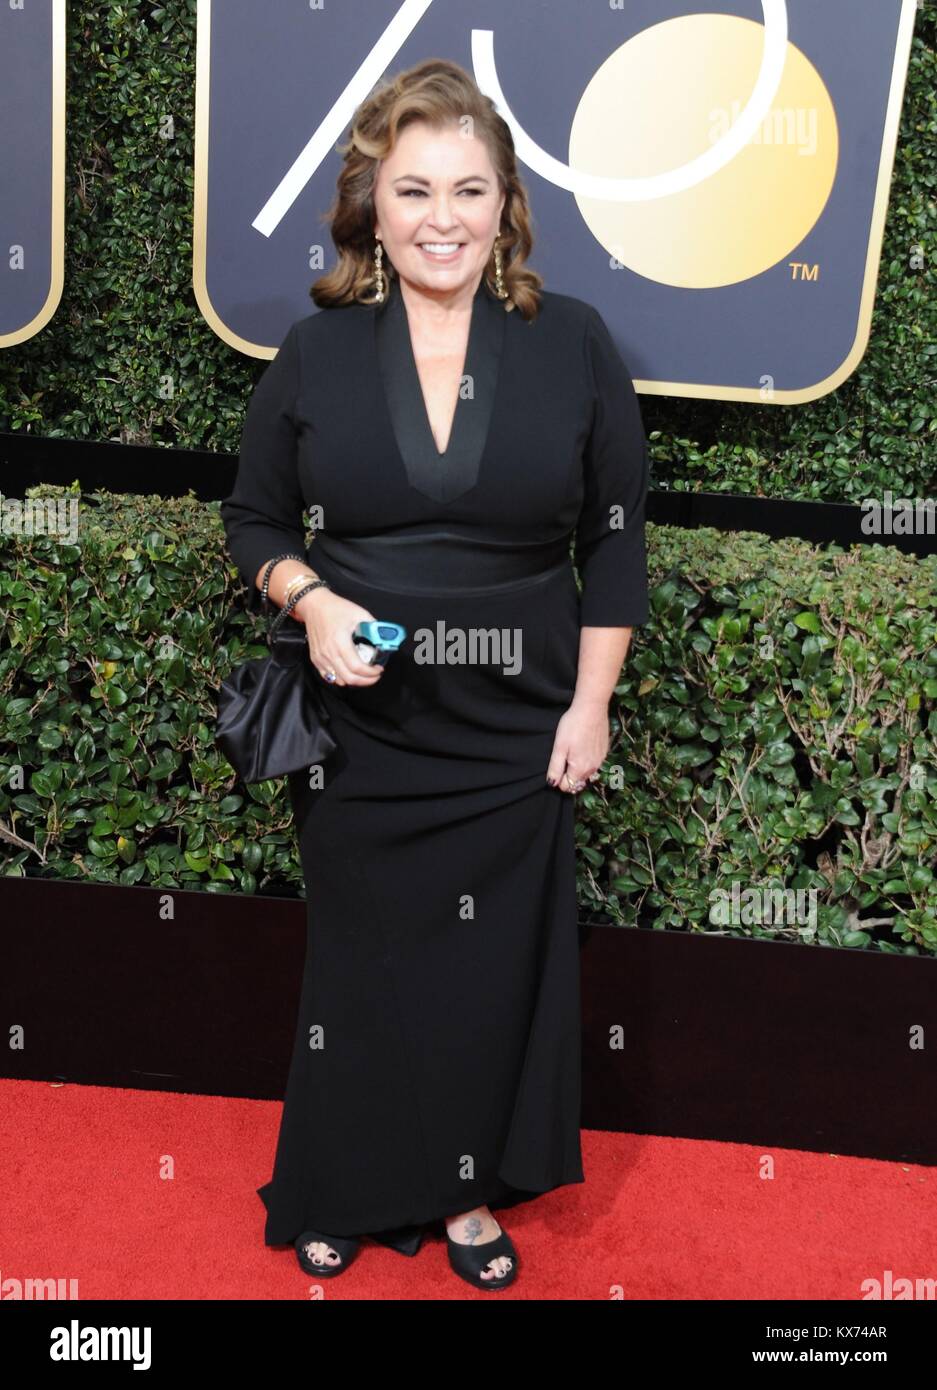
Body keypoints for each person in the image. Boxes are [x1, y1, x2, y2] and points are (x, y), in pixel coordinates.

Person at [220, 57, 650, 1293]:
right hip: (368, 719)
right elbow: (254, 522)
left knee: (484, 969)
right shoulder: (314, 349)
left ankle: (465, 1194)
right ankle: (339, 1184)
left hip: (515, 729)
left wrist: (590, 705)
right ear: (373, 203)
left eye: (469, 188)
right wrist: (309, 603)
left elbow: (614, 544)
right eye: (414, 190)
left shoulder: (572, 343)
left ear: (506, 204)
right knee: (360, 966)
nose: (442, 217)